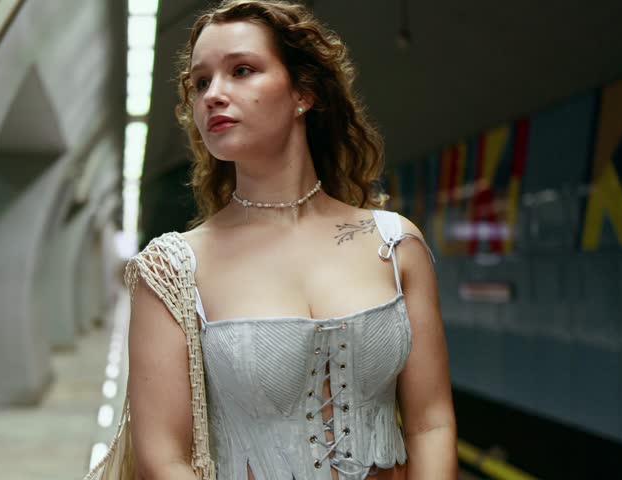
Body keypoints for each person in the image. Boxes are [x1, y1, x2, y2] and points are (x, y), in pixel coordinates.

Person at [118, 1, 456, 479]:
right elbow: (164, 460)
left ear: (303, 93)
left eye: (241, 70)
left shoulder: (395, 244)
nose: (213, 94)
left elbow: (431, 424)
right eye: (201, 82)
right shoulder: (171, 270)